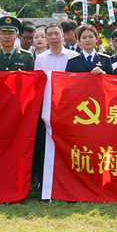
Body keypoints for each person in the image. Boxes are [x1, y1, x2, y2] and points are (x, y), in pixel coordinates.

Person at [34, 23, 77, 191]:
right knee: (45, 144)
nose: (53, 37)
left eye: (56, 34)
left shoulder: (74, 56)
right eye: (50, 34)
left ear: (63, 36)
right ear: (46, 38)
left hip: (69, 107)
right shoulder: (41, 59)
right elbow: (38, 83)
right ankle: (44, 181)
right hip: (47, 107)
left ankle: (69, 181)